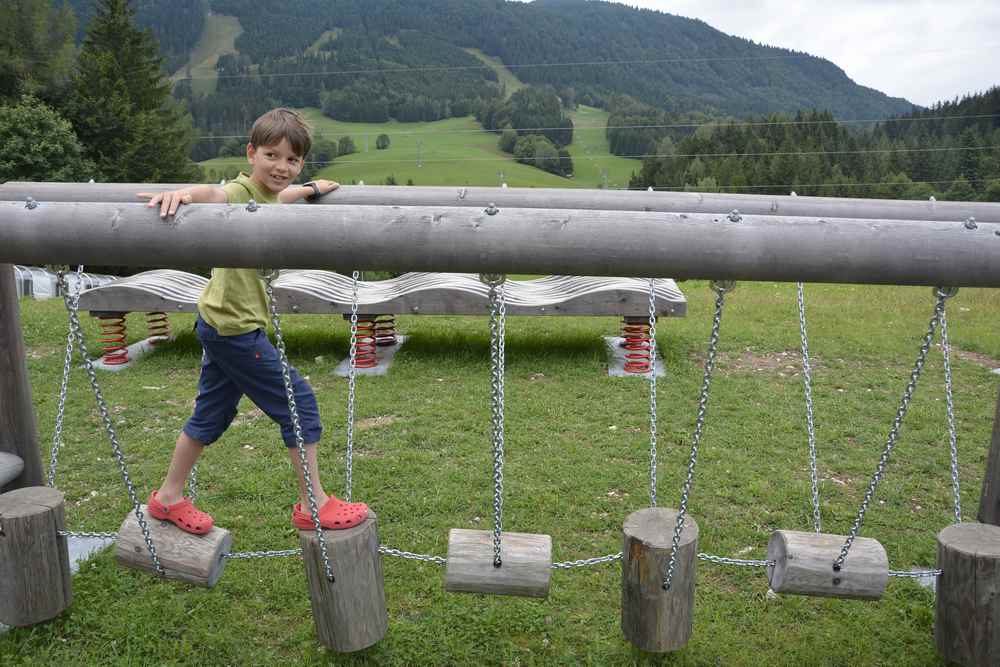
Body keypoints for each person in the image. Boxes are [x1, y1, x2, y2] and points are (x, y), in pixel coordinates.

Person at [138, 108, 367, 535]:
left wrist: (310, 189)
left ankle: (167, 498)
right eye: (271, 155)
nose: (281, 167)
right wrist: (183, 195)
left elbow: (278, 197)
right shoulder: (239, 191)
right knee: (299, 404)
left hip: (221, 325)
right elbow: (215, 193)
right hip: (234, 330)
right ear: (250, 154)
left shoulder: (267, 194)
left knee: (210, 416)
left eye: (292, 160)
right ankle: (313, 504)